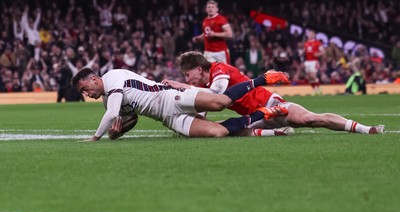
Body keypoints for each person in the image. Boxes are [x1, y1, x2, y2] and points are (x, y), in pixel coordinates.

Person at [162, 51, 384, 135]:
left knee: (310, 119)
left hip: (271, 105)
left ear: (199, 69)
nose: (185, 79)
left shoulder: (220, 70)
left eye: (187, 74)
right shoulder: (204, 83)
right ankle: (275, 133)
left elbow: (217, 94)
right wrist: (193, 126)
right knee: (220, 130)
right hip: (255, 118)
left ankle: (366, 129)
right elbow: (205, 107)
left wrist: (185, 88)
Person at [71, 67, 290, 141]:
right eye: (83, 92)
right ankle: (262, 114)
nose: (86, 94)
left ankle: (264, 78)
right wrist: (115, 134)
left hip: (169, 97)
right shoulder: (109, 99)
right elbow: (128, 118)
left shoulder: (112, 77)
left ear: (93, 79)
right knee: (218, 132)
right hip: (168, 118)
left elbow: (111, 114)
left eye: (84, 88)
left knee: (220, 102)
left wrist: (95, 137)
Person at [192, 0, 233, 64]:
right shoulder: (205, 20)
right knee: (209, 73)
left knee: (223, 73)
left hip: (220, 52)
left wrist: (215, 34)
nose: (211, 9)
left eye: (213, 7)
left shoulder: (221, 19)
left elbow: (229, 34)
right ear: (206, 9)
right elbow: (206, 33)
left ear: (217, 9)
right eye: (209, 7)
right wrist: (199, 38)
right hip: (208, 52)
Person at [303, 30, 324, 95]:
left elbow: (323, 51)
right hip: (307, 61)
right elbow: (305, 51)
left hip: (314, 61)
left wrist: (318, 54)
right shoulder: (306, 43)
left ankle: (318, 88)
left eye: (312, 34)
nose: (310, 35)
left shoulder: (317, 43)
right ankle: (314, 89)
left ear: (314, 35)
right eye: (310, 34)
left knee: (313, 75)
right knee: (309, 77)